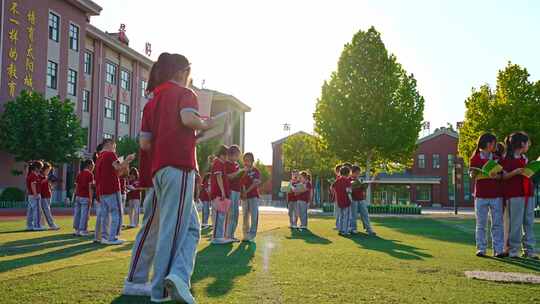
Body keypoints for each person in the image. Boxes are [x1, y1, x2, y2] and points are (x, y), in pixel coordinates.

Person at [139, 53, 215, 303]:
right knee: (172, 230)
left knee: (192, 227)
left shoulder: (152, 101)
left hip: (159, 169)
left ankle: (179, 276)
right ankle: (160, 289)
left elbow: (145, 143)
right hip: (179, 166)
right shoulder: (185, 93)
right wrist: (207, 124)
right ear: (183, 71)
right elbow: (188, 119)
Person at [501, 132, 537, 259]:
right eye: (527, 143)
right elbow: (504, 176)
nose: (529, 145)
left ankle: (529, 250)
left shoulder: (525, 158)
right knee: (515, 223)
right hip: (514, 194)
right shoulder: (506, 158)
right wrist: (515, 172)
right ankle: (513, 250)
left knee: (529, 222)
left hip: (528, 192)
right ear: (522, 143)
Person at [469, 133, 504, 257]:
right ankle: (481, 249)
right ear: (488, 144)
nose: (495, 145)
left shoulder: (497, 157)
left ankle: (498, 250)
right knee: (481, 224)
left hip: (496, 195)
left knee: (497, 223)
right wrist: (474, 173)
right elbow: (472, 174)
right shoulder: (475, 158)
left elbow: (502, 175)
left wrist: (496, 176)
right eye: (494, 143)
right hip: (481, 195)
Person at [95, 139, 135, 245]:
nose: (115, 150)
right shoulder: (110, 154)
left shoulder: (99, 157)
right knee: (117, 213)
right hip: (112, 188)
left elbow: (115, 172)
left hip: (102, 190)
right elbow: (118, 167)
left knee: (105, 214)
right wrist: (127, 160)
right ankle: (113, 237)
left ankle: (104, 237)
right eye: (115, 147)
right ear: (110, 144)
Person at [211, 145, 234, 245]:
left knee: (221, 216)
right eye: (226, 155)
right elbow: (218, 177)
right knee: (218, 216)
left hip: (221, 194)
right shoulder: (217, 162)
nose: (227, 158)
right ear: (222, 155)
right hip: (218, 194)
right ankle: (216, 237)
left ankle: (220, 236)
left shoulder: (221, 163)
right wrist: (223, 192)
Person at [240, 152, 261, 242]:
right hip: (244, 197)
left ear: (252, 161)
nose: (246, 162)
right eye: (245, 160)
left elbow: (255, 183)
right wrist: (243, 192)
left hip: (253, 196)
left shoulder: (256, 171)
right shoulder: (243, 171)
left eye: (248, 160)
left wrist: (246, 191)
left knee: (254, 215)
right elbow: (242, 183)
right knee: (245, 215)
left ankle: (252, 235)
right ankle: (245, 234)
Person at [350, 165, 375, 236]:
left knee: (365, 214)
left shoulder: (360, 179)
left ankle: (369, 229)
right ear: (352, 172)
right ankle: (353, 229)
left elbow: (363, 189)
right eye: (357, 173)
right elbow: (349, 189)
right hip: (353, 199)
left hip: (361, 199)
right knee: (353, 215)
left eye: (359, 173)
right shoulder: (349, 179)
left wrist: (364, 187)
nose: (358, 174)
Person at [225, 145, 243, 241]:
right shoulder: (227, 164)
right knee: (231, 213)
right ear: (231, 154)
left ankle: (231, 235)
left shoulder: (236, 165)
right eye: (237, 155)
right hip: (231, 191)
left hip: (237, 191)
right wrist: (240, 172)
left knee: (236, 213)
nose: (238, 157)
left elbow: (238, 177)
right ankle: (228, 235)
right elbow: (229, 177)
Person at [73, 159, 94, 236]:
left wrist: (74, 195)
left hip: (78, 196)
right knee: (84, 214)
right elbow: (90, 187)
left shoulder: (79, 173)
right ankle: (83, 230)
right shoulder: (90, 174)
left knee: (77, 213)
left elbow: (76, 186)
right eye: (93, 165)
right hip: (85, 196)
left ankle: (76, 230)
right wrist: (91, 198)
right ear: (89, 165)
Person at [39, 162, 59, 230]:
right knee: (46, 211)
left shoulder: (45, 177)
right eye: (47, 170)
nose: (48, 172)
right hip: (43, 196)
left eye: (49, 170)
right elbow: (40, 185)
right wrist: (46, 180)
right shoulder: (40, 177)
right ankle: (51, 225)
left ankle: (43, 225)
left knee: (46, 211)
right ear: (43, 170)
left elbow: (47, 184)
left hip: (48, 195)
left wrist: (51, 186)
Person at [333, 166, 353, 236]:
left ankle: (340, 230)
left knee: (340, 216)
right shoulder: (348, 181)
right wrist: (351, 200)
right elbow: (349, 192)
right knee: (346, 217)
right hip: (346, 201)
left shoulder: (337, 180)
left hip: (339, 201)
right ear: (348, 173)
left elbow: (332, 188)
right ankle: (345, 231)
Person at [26, 161, 45, 231]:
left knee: (30, 211)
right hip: (34, 195)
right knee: (37, 211)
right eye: (40, 168)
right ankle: (37, 226)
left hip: (31, 195)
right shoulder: (33, 175)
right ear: (36, 168)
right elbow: (33, 185)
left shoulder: (32, 174)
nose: (41, 169)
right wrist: (35, 194)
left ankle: (29, 225)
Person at [93, 144, 106, 243]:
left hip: (99, 191)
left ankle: (98, 236)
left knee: (100, 215)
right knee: (103, 215)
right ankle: (102, 237)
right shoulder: (101, 160)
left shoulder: (98, 161)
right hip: (103, 191)